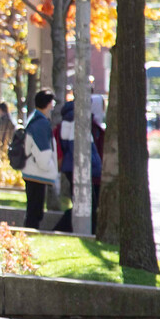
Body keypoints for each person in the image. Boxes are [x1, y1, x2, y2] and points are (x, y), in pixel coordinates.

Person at [52, 98, 104, 233]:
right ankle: (64, 229)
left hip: (75, 168)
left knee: (84, 204)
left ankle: (72, 230)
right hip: (79, 169)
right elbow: (76, 146)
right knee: (87, 205)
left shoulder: (72, 119)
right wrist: (89, 166)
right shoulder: (76, 120)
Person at [22, 90, 59, 229]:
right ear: (48, 104)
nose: (53, 106)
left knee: (33, 209)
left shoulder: (34, 119)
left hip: (32, 170)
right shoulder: (41, 124)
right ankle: (30, 233)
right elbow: (43, 151)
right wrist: (50, 168)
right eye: (52, 103)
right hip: (37, 172)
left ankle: (28, 233)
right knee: (35, 211)